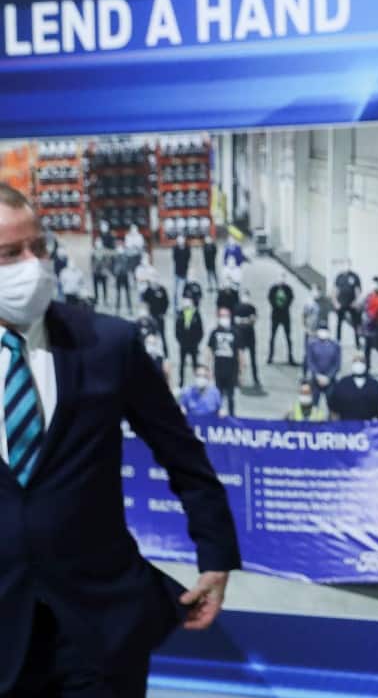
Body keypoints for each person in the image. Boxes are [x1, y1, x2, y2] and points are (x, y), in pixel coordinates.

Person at [0, 183, 240, 697]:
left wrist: (215, 554)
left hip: (97, 624)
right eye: (10, 254)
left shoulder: (109, 344)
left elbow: (182, 455)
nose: (33, 265)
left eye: (38, 247)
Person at [206, 307, 239, 417]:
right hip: (218, 369)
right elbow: (209, 350)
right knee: (218, 395)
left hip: (232, 370)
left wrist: (241, 371)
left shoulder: (235, 332)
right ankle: (216, 416)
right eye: (221, 316)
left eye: (226, 316)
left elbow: (240, 353)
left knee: (230, 396)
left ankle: (232, 417)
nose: (224, 318)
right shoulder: (214, 332)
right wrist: (208, 368)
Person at [233, 288, 261, 391]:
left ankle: (256, 378)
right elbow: (236, 320)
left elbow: (253, 320)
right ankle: (237, 378)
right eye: (244, 296)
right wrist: (247, 320)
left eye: (247, 296)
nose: (246, 298)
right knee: (239, 358)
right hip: (240, 336)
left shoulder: (252, 308)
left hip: (250, 336)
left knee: (253, 359)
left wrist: (244, 320)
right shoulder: (237, 307)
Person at [267, 272, 297, 365]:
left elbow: (291, 299)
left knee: (288, 337)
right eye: (280, 278)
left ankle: (290, 357)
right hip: (276, 315)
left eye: (283, 278)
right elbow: (270, 299)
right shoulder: (273, 289)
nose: (281, 280)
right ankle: (270, 356)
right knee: (272, 336)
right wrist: (277, 306)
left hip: (285, 315)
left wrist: (284, 306)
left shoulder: (288, 289)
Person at [303, 325, 341, 399]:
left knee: (332, 404)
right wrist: (317, 375)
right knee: (313, 404)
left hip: (330, 380)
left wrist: (328, 377)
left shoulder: (335, 345)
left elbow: (337, 364)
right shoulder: (312, 345)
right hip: (315, 380)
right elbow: (310, 361)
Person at [175, 296, 204, 388]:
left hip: (193, 344)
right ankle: (181, 382)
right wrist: (180, 341)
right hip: (183, 344)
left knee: (195, 363)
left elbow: (201, 330)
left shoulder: (196, 314)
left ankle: (198, 380)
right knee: (182, 363)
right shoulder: (180, 314)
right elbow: (177, 329)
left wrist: (197, 342)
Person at [332, 262, 362, 348]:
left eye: (348, 264)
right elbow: (335, 290)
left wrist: (356, 302)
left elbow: (358, 291)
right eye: (344, 264)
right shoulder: (339, 276)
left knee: (355, 324)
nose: (346, 266)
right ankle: (338, 341)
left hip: (352, 304)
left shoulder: (355, 276)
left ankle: (357, 343)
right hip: (341, 304)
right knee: (339, 323)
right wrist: (335, 302)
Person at [141, 278, 171, 357]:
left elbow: (167, 302)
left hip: (160, 317)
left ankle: (166, 354)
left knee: (163, 336)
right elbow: (143, 300)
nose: (154, 282)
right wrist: (146, 313)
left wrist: (163, 313)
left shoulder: (162, 290)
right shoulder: (148, 290)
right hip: (151, 317)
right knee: (150, 336)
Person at [111, 244, 133, 312]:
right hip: (118, 277)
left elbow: (130, 266)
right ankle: (117, 308)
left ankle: (129, 308)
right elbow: (112, 267)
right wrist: (114, 274)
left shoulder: (126, 257)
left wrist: (129, 274)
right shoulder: (115, 258)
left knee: (127, 293)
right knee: (118, 294)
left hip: (125, 276)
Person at [173, 234, 192, 307]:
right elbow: (175, 258)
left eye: (182, 239)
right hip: (177, 271)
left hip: (185, 270)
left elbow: (188, 258)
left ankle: (186, 303)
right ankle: (175, 304)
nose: (181, 241)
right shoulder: (175, 248)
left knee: (186, 289)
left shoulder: (187, 248)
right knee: (176, 289)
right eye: (179, 240)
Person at [91, 238, 111, 306]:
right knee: (95, 287)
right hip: (96, 272)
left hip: (103, 272)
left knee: (104, 287)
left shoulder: (104, 252)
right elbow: (92, 263)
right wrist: (93, 270)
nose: (98, 244)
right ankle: (96, 299)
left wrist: (105, 269)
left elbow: (108, 262)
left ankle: (105, 300)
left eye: (99, 243)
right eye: (97, 243)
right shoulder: (93, 252)